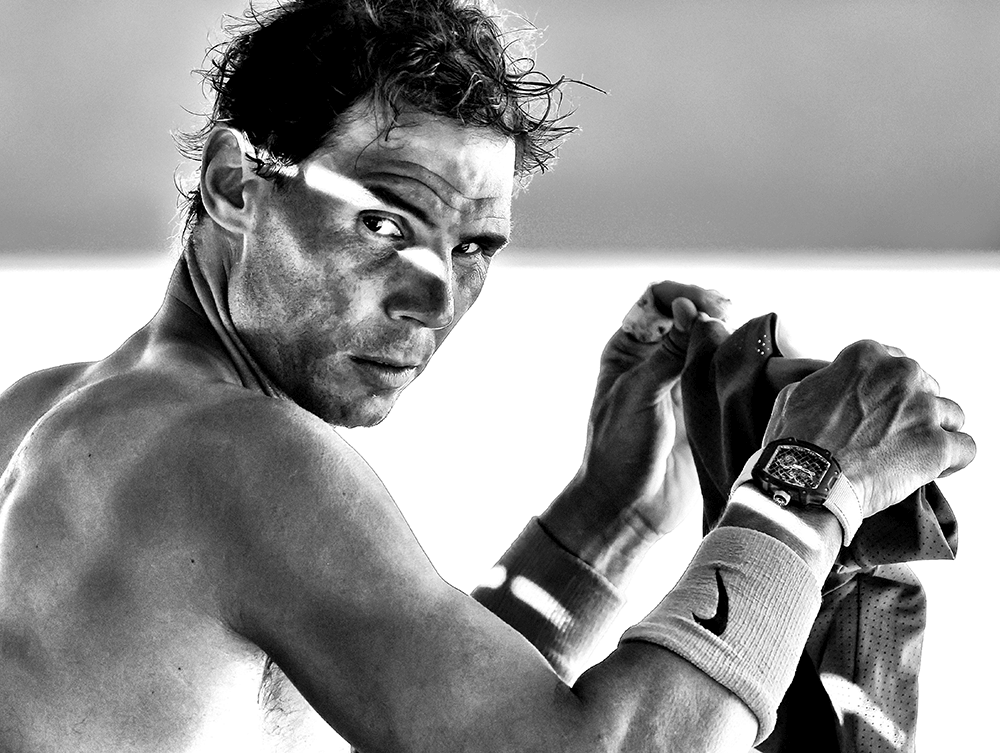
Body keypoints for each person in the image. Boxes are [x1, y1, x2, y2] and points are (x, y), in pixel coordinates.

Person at [0, 1, 975, 751]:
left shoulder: (54, 411)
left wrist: (612, 514)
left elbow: (398, 704)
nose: (432, 298)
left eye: (472, 247)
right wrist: (801, 490)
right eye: (385, 223)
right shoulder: (234, 453)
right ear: (236, 185)